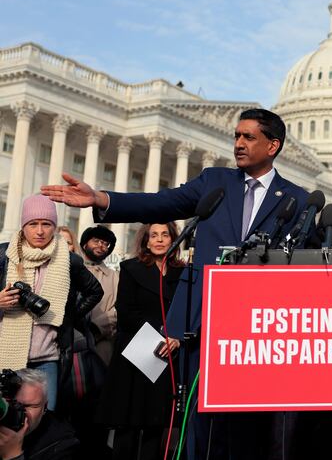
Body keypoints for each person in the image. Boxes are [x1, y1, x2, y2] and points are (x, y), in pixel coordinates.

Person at [41, 109, 309, 459]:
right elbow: (160, 201)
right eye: (236, 136)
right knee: (198, 420)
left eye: (248, 137)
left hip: (257, 328)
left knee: (245, 424)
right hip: (202, 323)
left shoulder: (297, 200)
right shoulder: (215, 182)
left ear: (273, 145)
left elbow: (299, 267)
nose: (238, 144)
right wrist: (101, 199)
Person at [0, 195, 103, 411]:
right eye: (33, 224)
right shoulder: (4, 255)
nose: (39, 231)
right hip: (5, 355)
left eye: (46, 224)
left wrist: (67, 315)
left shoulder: (69, 259)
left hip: (48, 359)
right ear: (23, 226)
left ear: (54, 227)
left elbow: (95, 291)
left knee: (45, 422)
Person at [97, 223, 183, 460]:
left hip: (167, 354)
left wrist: (176, 338)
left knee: (155, 423)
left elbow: (186, 311)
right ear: (145, 240)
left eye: (165, 235)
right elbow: (125, 311)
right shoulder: (131, 268)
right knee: (129, 423)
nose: (159, 240)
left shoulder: (183, 273)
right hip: (135, 351)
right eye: (153, 235)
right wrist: (161, 335)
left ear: (174, 239)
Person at [0, 368, 79, 460]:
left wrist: (13, 455)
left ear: (45, 407)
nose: (20, 412)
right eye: (12, 404)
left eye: (29, 406)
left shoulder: (62, 444)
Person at [79, 225, 119, 365]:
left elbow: (117, 310)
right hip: (71, 341)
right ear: (85, 244)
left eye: (105, 243)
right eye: (96, 241)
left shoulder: (115, 277)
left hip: (102, 342)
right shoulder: (73, 269)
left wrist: (96, 328)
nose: (100, 245)